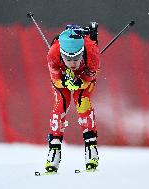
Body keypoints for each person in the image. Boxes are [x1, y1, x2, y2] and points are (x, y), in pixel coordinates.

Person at [45, 24, 100, 173]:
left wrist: (79, 82)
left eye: (77, 57)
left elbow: (90, 77)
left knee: (82, 103)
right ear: (62, 53)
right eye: (68, 58)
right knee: (61, 105)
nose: (73, 63)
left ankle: (91, 151)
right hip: (62, 78)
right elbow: (55, 78)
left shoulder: (92, 52)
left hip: (83, 77)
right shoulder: (53, 54)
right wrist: (64, 81)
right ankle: (54, 152)